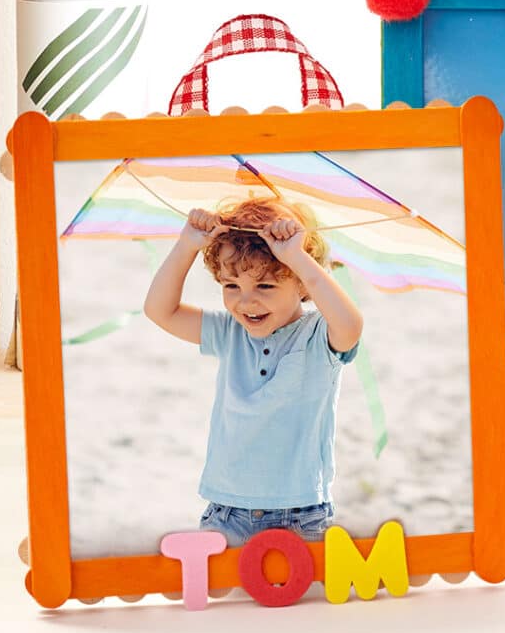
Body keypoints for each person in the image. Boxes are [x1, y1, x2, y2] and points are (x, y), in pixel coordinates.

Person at [143, 195, 362, 546]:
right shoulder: (230, 333)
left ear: (302, 284)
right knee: (227, 600)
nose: (246, 301)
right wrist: (187, 246)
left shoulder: (318, 336)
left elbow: (350, 325)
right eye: (232, 286)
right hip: (227, 510)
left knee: (305, 601)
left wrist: (295, 256)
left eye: (265, 285)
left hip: (301, 513)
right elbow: (159, 310)